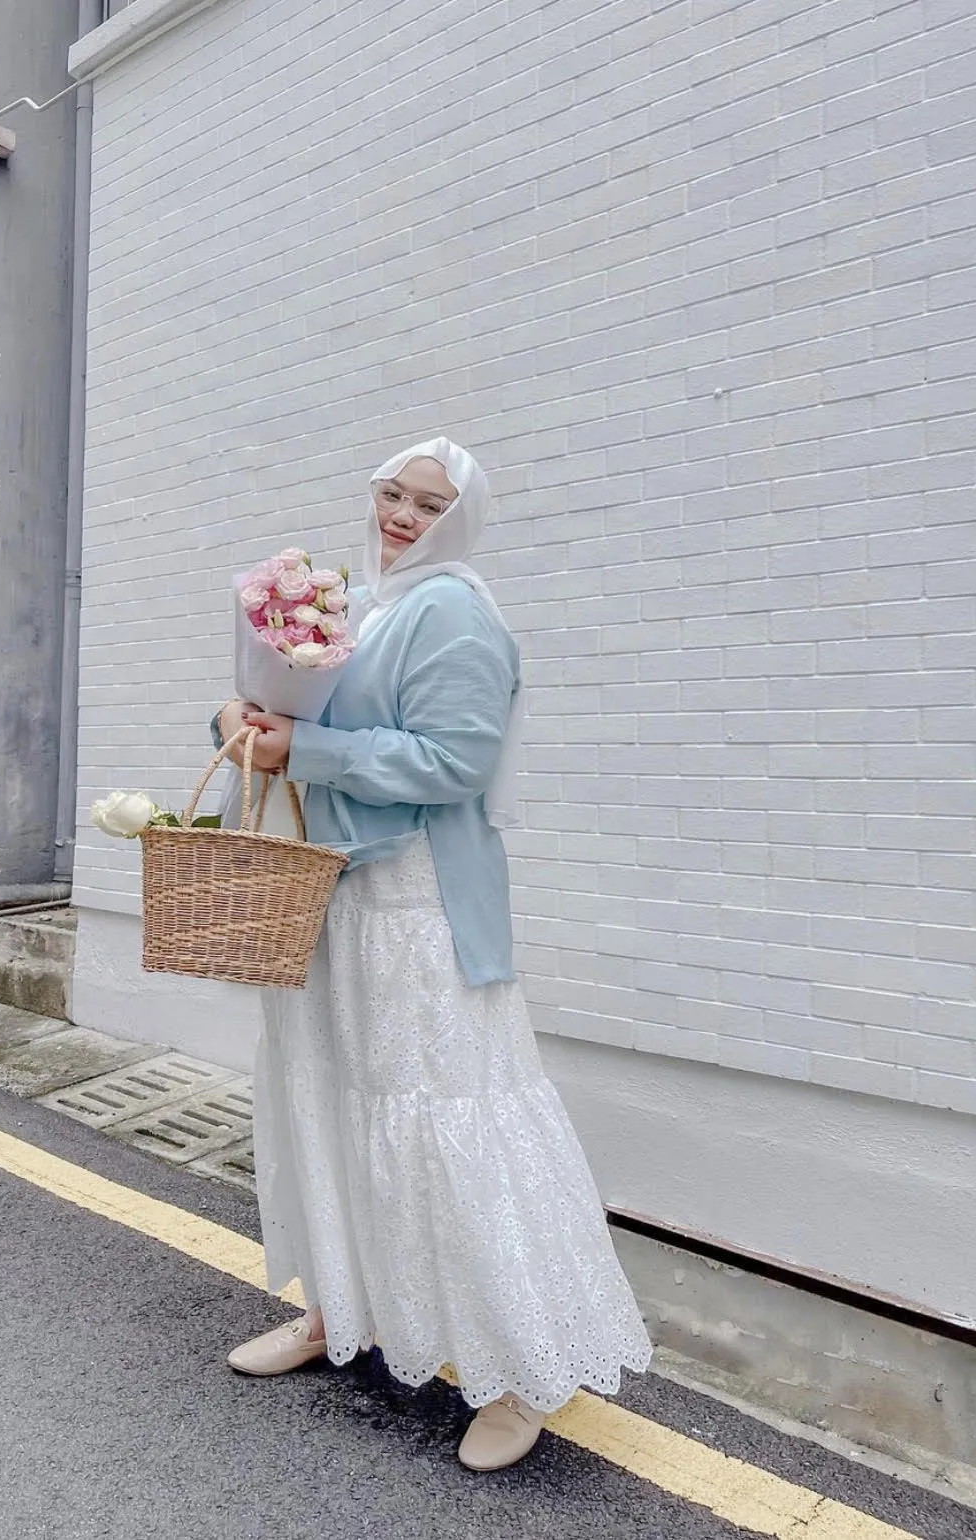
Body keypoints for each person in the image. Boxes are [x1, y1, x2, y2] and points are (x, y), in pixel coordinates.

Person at [214, 437, 651, 1472]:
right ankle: (341, 1309)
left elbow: (456, 762)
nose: (405, 514)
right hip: (331, 891)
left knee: (447, 1114)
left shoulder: (454, 610)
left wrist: (305, 750)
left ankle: (510, 1373)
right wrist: (241, 718)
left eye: (430, 503)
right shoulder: (364, 602)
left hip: (416, 904)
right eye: (392, 493)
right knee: (329, 1098)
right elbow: (301, 716)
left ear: (463, 517)